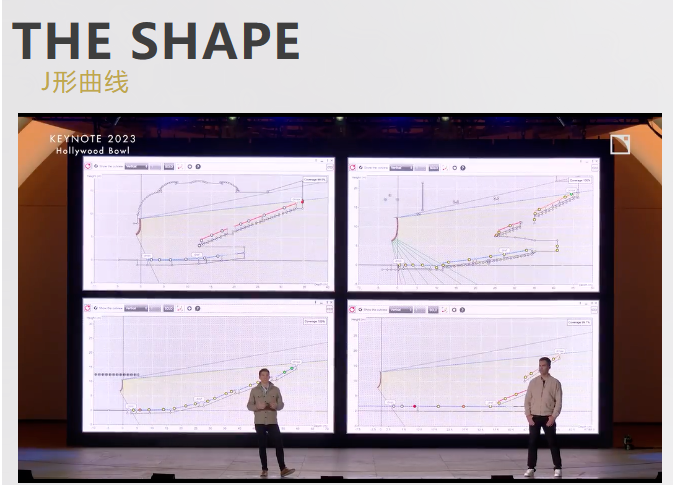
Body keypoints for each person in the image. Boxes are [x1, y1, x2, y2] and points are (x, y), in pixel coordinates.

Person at [246, 368, 295, 478]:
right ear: (259, 377)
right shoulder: (254, 390)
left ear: (269, 376)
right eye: (263, 375)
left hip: (272, 421)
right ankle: (264, 469)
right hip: (259, 422)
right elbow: (249, 406)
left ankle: (283, 469)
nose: (265, 377)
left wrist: (276, 406)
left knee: (279, 444)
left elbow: (281, 405)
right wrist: (257, 407)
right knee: (262, 446)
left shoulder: (276, 390)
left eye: (267, 375)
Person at [523, 357, 563, 478]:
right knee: (532, 443)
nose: (541, 368)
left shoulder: (555, 383)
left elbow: (558, 402)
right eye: (539, 365)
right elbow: (527, 400)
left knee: (552, 442)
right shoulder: (533, 382)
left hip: (548, 417)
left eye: (543, 365)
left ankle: (557, 467)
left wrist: (553, 417)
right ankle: (531, 468)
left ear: (549, 367)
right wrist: (528, 415)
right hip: (534, 417)